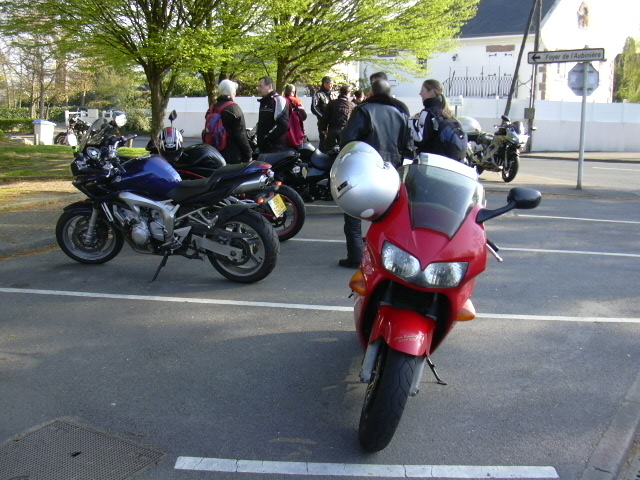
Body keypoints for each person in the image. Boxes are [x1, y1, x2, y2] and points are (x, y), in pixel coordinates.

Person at [336, 79, 412, 268]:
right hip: (392, 169)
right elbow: (408, 145)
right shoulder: (400, 113)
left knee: (353, 212)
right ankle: (388, 258)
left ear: (372, 92)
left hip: (365, 167)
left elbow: (348, 139)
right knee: (389, 215)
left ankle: (355, 256)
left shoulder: (363, 110)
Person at [411, 79, 468, 162]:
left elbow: (420, 140)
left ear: (431, 92)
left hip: (431, 162)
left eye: (422, 90)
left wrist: (411, 123)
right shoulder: (447, 112)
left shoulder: (427, 112)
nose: (420, 94)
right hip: (446, 161)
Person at [204, 79, 252, 164]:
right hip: (232, 155)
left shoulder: (212, 108)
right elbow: (241, 135)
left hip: (214, 153)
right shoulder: (234, 109)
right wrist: (248, 154)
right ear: (232, 92)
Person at [256, 76, 290, 153]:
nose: (258, 89)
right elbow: (263, 122)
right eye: (258, 86)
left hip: (275, 148)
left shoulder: (278, 100)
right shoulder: (264, 101)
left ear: (270, 86)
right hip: (264, 147)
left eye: (261, 86)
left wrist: (267, 139)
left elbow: (283, 125)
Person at [319, 84, 353, 152]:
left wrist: (323, 129)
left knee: (329, 151)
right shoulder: (351, 105)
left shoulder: (332, 103)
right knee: (343, 151)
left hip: (332, 130)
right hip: (345, 131)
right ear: (348, 93)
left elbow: (325, 117)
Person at [310, 76, 336, 151]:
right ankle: (322, 155)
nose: (331, 85)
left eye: (332, 83)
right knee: (324, 140)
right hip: (323, 122)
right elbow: (314, 108)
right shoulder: (318, 94)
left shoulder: (334, 94)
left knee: (334, 141)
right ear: (324, 84)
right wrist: (323, 117)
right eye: (329, 83)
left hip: (334, 122)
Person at [283, 83, 307, 148]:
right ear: (294, 92)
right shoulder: (297, 101)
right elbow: (304, 116)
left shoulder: (281, 100)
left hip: (283, 131)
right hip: (295, 130)